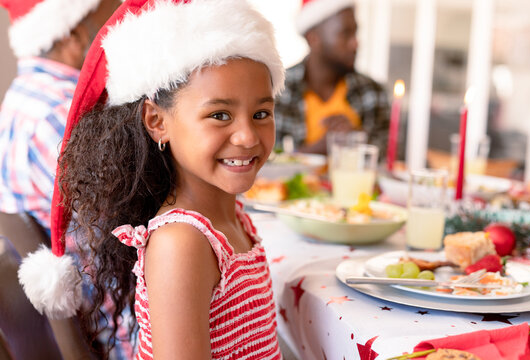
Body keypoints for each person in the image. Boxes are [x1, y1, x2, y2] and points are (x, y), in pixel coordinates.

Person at [18, 0, 285, 358]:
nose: (248, 137)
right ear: (157, 122)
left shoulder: (231, 218)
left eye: (261, 113)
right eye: (220, 114)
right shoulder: (182, 242)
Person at [0, 0, 120, 237]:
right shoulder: (61, 111)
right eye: (113, 18)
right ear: (74, 35)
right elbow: (121, 217)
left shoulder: (25, 94)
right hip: (99, 268)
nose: (122, 28)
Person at [275, 0, 390, 155]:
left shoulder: (373, 92)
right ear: (313, 38)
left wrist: (355, 139)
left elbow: (388, 159)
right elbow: (269, 160)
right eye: (345, 33)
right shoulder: (278, 89)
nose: (355, 43)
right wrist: (319, 149)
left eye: (355, 32)